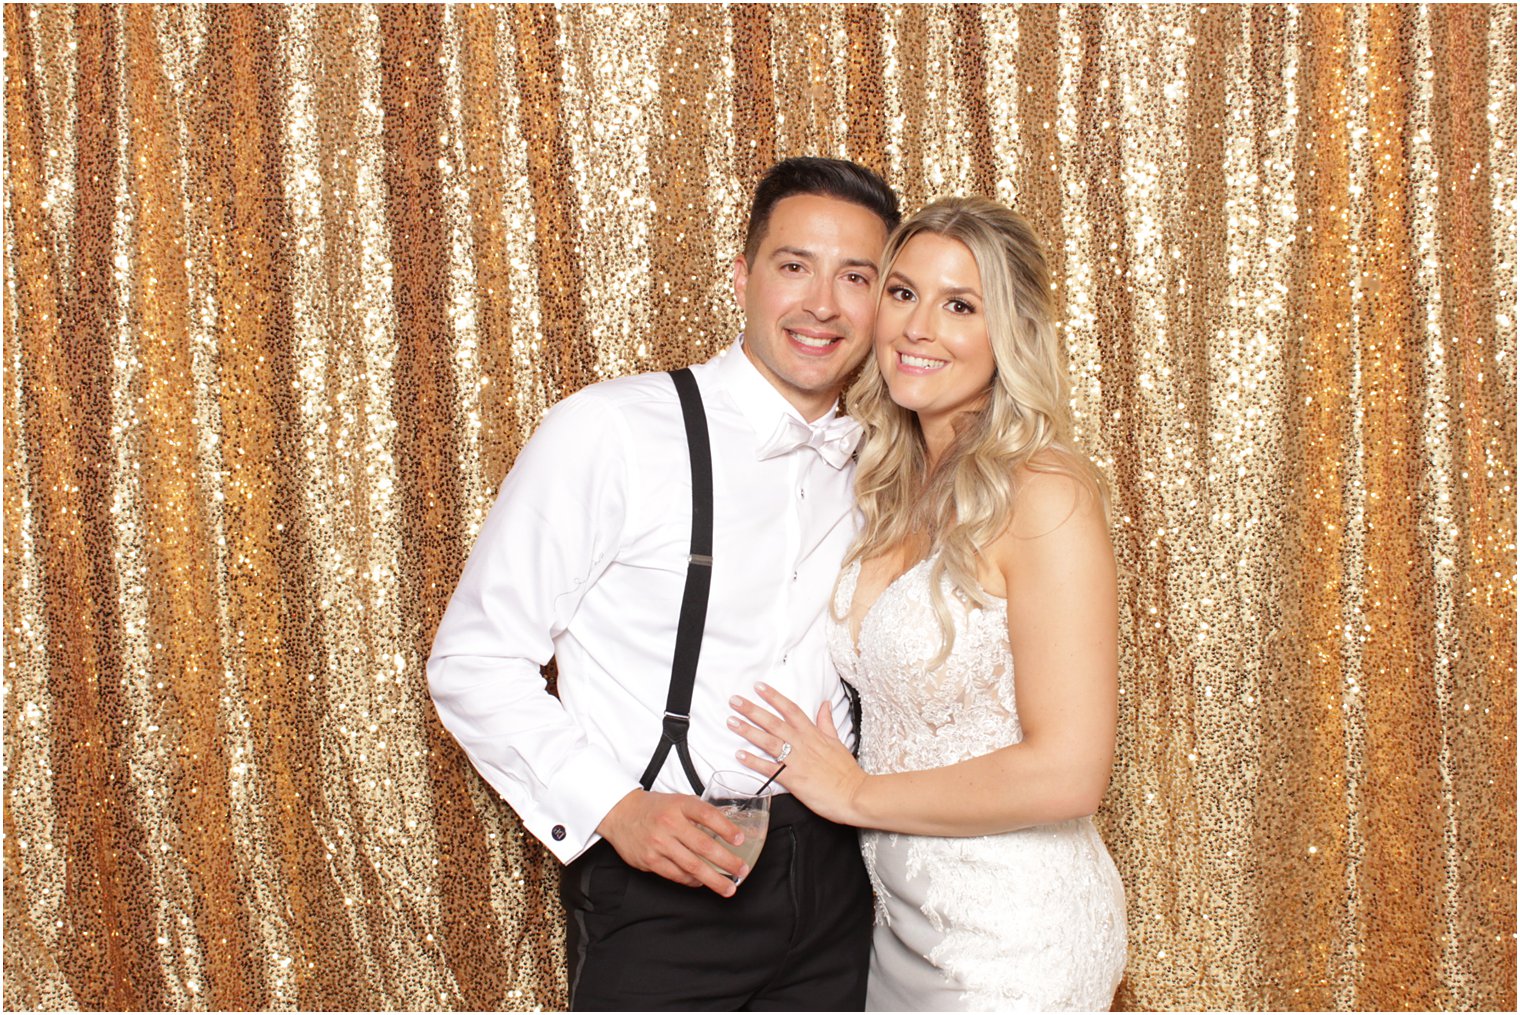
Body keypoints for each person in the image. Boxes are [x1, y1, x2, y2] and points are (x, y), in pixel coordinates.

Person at [427, 157, 900, 1010]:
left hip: (842, 886)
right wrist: (615, 808)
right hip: (664, 891)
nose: (822, 303)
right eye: (794, 266)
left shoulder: (885, 457)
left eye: (855, 276)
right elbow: (474, 658)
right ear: (743, 276)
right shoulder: (609, 431)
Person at [727, 196, 1128, 1010]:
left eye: (960, 305)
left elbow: (1070, 771)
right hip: (899, 921)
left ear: (1007, 333)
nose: (917, 327)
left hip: (1014, 933)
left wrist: (855, 795)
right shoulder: (886, 481)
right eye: (903, 293)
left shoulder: (1041, 493)